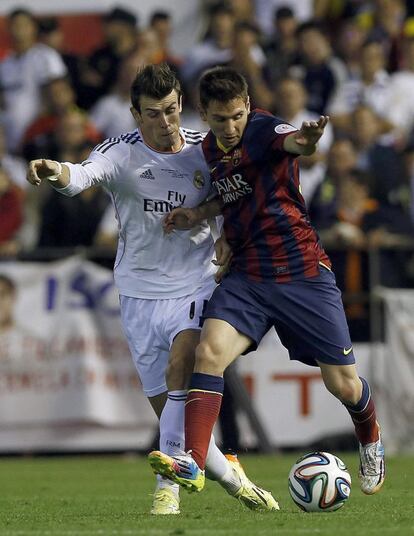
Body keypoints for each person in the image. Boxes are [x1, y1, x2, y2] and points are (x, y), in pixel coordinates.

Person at [26, 64, 278, 515]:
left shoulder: (206, 148)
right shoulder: (120, 153)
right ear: (134, 114)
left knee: (185, 359)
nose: (166, 124)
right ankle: (230, 476)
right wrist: (55, 172)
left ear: (181, 105)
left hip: (196, 283)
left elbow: (237, 192)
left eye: (171, 111)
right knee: (170, 415)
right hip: (139, 293)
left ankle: (168, 489)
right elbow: (81, 176)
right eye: (153, 114)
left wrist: (224, 232)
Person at [148, 66, 386, 498]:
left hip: (302, 273)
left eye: (237, 116)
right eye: (220, 119)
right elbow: (231, 190)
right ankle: (194, 464)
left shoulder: (264, 129)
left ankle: (369, 434)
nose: (231, 126)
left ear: (247, 107)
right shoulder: (208, 150)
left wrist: (308, 139)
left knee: (343, 385)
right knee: (210, 351)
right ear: (205, 114)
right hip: (248, 277)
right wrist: (202, 216)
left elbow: (293, 142)